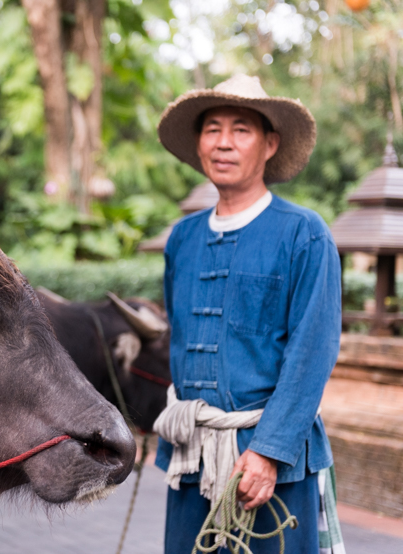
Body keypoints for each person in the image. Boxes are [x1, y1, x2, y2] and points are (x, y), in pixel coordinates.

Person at [153, 74, 343, 553]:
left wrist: (268, 452)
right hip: (193, 455)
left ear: (270, 144)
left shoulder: (304, 234)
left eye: (241, 129)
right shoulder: (183, 239)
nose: (223, 142)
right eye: (212, 128)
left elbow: (312, 353)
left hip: (266, 463)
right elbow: (178, 335)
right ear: (198, 144)